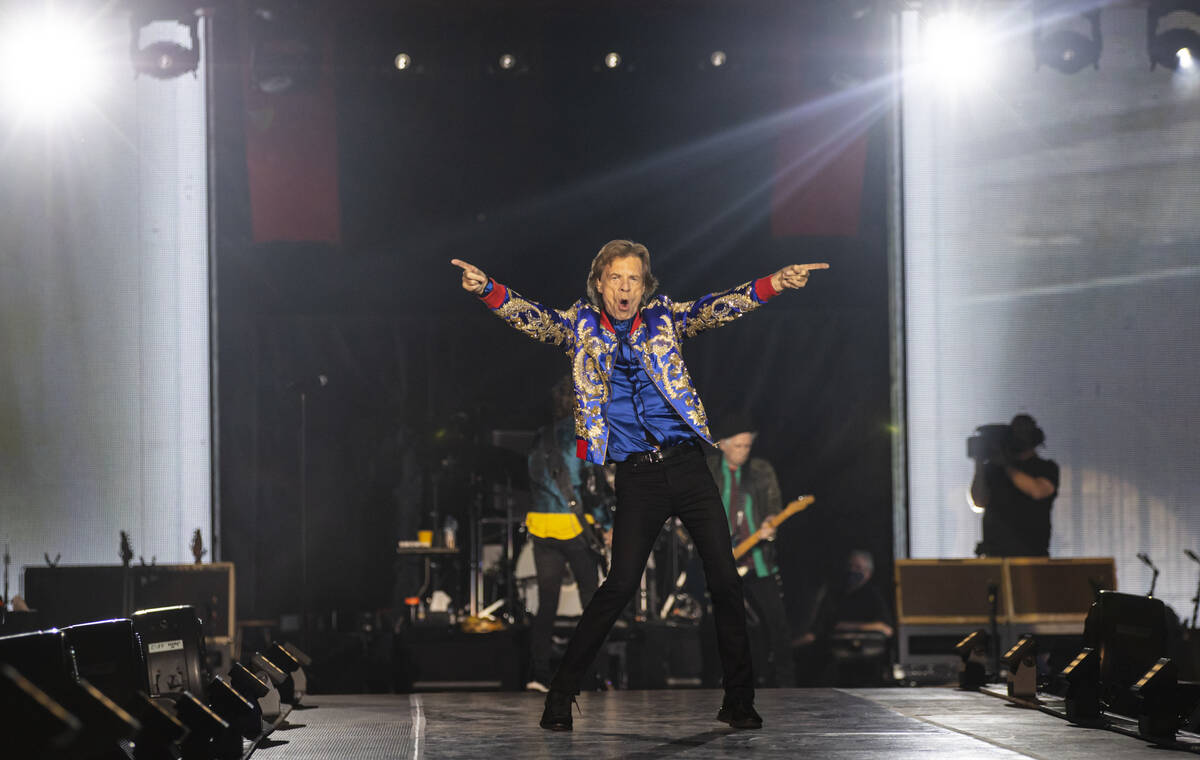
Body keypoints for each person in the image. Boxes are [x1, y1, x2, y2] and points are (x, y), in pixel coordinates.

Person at [452, 240, 827, 731]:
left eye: (634, 279)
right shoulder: (579, 326)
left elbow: (720, 307)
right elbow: (534, 318)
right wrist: (488, 289)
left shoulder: (665, 318)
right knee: (619, 587)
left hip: (689, 467)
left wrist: (776, 282)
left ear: (644, 285)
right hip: (639, 475)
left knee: (725, 580)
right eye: (616, 278)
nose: (625, 288)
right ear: (600, 283)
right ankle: (560, 695)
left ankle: (738, 699)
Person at [524, 376, 612, 693]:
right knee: (593, 601)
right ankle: (596, 674)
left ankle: (538, 674)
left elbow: (533, 483)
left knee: (547, 604)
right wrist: (606, 524)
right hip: (573, 529)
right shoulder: (583, 437)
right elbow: (591, 487)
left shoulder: (538, 437)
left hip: (541, 528)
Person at [706, 414, 795, 688]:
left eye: (747, 446)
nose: (744, 452)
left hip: (757, 561)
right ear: (722, 445)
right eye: (738, 446)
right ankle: (711, 683)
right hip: (721, 561)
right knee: (715, 625)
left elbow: (773, 506)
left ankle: (786, 684)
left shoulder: (761, 470)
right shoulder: (707, 469)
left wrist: (771, 524)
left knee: (775, 622)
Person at [795, 549, 893, 685]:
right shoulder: (835, 595)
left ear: (868, 573)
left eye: (858, 567)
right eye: (850, 566)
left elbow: (886, 629)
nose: (852, 571)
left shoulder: (874, 596)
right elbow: (816, 632)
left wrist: (850, 626)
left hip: (866, 661)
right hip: (833, 658)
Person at [970, 414, 1059, 557]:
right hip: (995, 553)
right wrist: (979, 464)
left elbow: (1037, 491)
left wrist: (1006, 465)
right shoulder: (993, 470)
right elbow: (979, 500)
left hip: (1031, 553)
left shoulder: (1046, 468)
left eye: (1023, 432)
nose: (1018, 437)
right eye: (1015, 432)